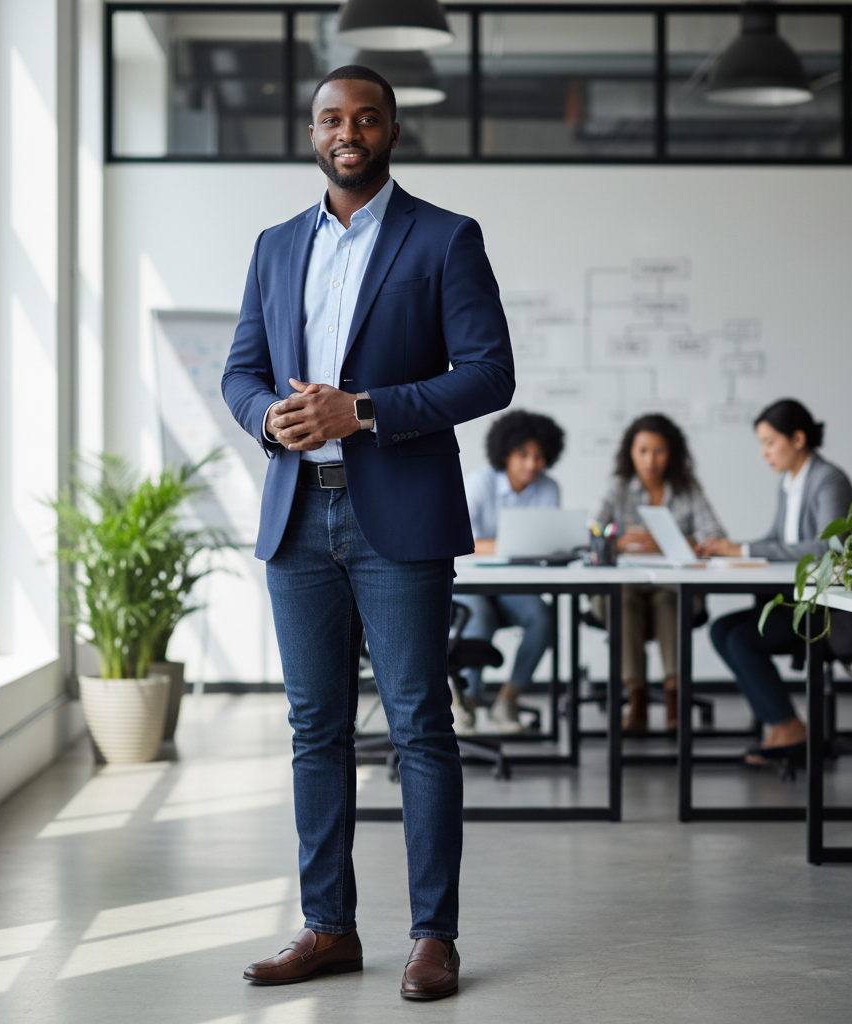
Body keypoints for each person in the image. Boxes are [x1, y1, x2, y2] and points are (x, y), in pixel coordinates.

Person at [221, 66, 514, 1000]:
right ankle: (328, 927)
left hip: (400, 517)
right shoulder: (272, 246)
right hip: (298, 514)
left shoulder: (445, 238)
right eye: (332, 118)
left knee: (422, 727)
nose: (348, 131)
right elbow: (239, 373)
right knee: (315, 730)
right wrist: (271, 415)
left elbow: (488, 376)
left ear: (391, 130)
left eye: (366, 117)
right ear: (312, 131)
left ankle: (435, 936)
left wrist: (366, 411)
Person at [697, 399, 852, 766]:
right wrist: (730, 551)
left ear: (797, 439)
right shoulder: (790, 482)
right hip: (796, 597)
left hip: (826, 608)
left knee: (739, 637)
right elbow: (777, 538)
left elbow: (829, 547)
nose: (765, 453)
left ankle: (788, 724)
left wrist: (744, 549)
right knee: (722, 630)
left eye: (770, 442)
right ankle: (779, 721)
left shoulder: (828, 479)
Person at [592, 414, 725, 732]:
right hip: (626, 587)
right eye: (642, 451)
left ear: (673, 453)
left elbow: (716, 538)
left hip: (672, 587)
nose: (650, 460)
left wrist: (673, 542)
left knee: (669, 602)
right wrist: (619, 541)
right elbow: (592, 537)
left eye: (659, 451)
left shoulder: (687, 489)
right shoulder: (618, 488)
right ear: (631, 453)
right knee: (622, 601)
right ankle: (635, 696)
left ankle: (674, 694)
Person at [456, 410, 565, 734]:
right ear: (505, 453)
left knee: (542, 619)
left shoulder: (549, 488)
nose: (532, 464)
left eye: (539, 456)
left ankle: (509, 698)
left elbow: (548, 543)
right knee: (479, 620)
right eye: (524, 455)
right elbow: (463, 542)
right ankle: (467, 700)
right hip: (471, 582)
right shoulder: (479, 483)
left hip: (514, 584)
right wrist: (508, 545)